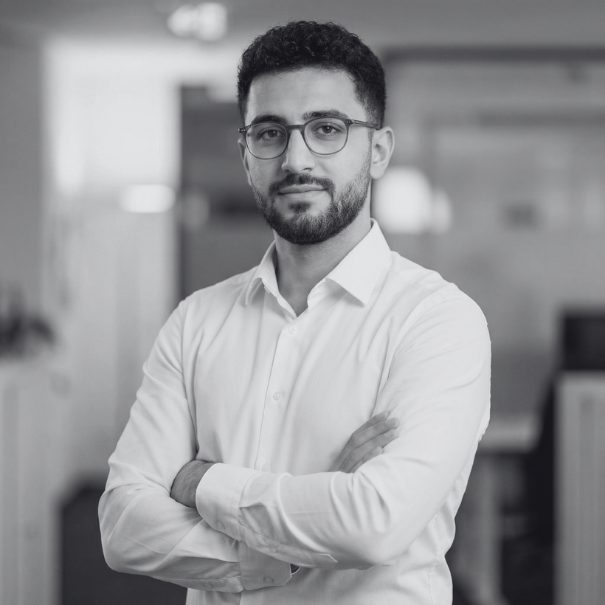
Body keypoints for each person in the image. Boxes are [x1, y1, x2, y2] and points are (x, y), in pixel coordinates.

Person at [99, 20, 491, 605]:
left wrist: (200, 481)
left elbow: (374, 523)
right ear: (246, 154)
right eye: (270, 133)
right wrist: (292, 538)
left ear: (378, 151)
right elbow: (124, 528)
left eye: (327, 129)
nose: (295, 159)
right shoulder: (196, 321)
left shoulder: (438, 321)